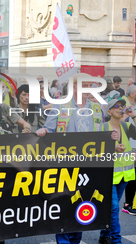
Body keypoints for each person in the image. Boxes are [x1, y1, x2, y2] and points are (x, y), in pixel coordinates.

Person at [36, 73, 104, 244]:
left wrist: (113, 137)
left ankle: (75, 239)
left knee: (82, 205)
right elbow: (49, 128)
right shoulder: (61, 106)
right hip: (65, 165)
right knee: (65, 205)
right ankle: (64, 241)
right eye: (86, 85)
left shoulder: (96, 109)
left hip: (88, 167)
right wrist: (44, 131)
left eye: (90, 86)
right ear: (74, 87)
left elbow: (102, 135)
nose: (89, 89)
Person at [99, 99, 136, 244]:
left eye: (122, 106)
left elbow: (134, 143)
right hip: (108, 175)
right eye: (116, 107)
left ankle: (104, 235)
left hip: (124, 175)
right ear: (109, 112)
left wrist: (133, 115)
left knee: (111, 209)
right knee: (114, 208)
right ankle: (116, 240)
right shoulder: (102, 128)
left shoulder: (127, 126)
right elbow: (96, 148)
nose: (120, 108)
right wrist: (112, 148)